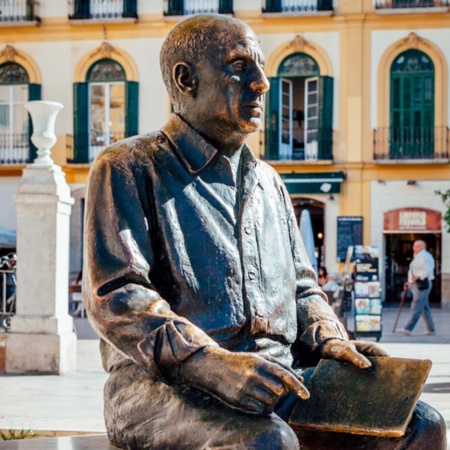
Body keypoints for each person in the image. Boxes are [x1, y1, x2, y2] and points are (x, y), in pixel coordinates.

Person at [83, 14, 446, 450]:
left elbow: (303, 288)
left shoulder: (269, 182)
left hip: (280, 379)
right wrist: (211, 363)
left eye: (261, 67)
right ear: (186, 80)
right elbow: (118, 295)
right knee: (266, 443)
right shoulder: (127, 167)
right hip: (162, 391)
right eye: (240, 66)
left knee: (421, 424)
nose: (261, 83)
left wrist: (331, 341)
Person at [403, 240, 436, 336]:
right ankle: (431, 329)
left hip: (422, 284)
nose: (413, 248)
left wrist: (418, 276)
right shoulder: (418, 257)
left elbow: (428, 270)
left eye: (415, 246)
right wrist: (409, 282)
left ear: (421, 246)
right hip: (416, 284)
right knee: (424, 307)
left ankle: (408, 327)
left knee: (416, 305)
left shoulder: (425, 256)